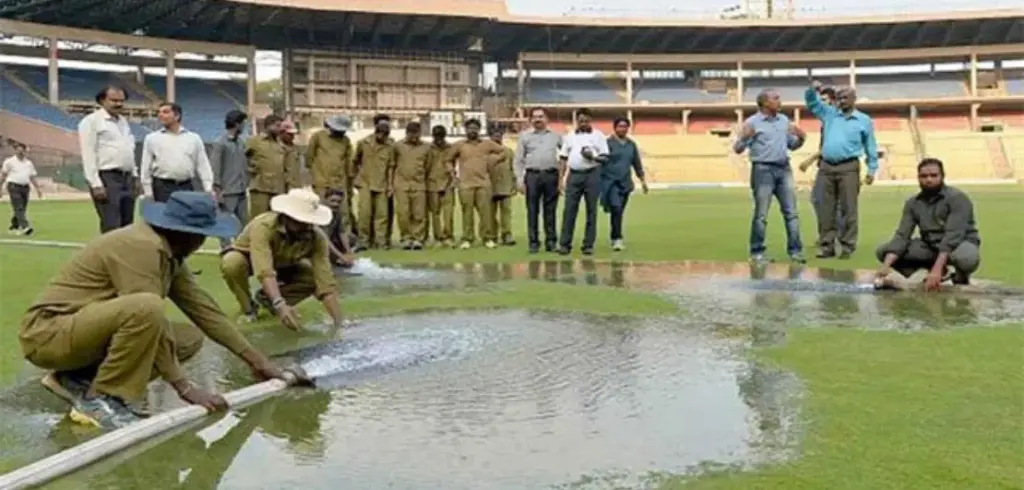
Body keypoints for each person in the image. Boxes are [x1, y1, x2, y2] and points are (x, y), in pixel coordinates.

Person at [19, 191, 290, 429]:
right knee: (147, 307)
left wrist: (258, 361)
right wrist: (184, 387)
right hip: (48, 335)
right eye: (203, 236)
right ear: (188, 234)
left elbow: (205, 310)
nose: (202, 243)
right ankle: (101, 399)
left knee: (187, 339)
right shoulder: (141, 246)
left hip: (81, 332)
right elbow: (146, 315)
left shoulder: (169, 252)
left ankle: (75, 380)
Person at [220, 188, 345, 328]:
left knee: (312, 276)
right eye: (301, 222)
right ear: (287, 217)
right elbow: (264, 270)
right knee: (232, 263)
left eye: (309, 222)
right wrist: (280, 304)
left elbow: (325, 282)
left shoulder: (317, 237)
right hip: (251, 260)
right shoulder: (263, 227)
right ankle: (249, 309)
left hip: (286, 263)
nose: (306, 226)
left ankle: (267, 300)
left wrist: (339, 322)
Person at [875, 158, 980, 291]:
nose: (929, 180)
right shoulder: (913, 203)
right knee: (884, 251)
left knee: (965, 258)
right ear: (918, 178)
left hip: (959, 244)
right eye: (924, 176)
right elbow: (902, 235)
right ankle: (934, 272)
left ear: (942, 176)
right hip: (930, 246)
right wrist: (885, 267)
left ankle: (959, 276)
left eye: (934, 175)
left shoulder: (957, 199)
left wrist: (937, 269)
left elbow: (953, 236)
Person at [805, 81, 878, 259]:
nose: (841, 101)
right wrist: (813, 89)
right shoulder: (829, 114)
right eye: (839, 98)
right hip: (826, 167)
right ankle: (827, 246)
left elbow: (870, 146)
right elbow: (812, 103)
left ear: (854, 99)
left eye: (845, 98)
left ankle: (847, 246)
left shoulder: (863, 120)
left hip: (849, 167)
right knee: (825, 208)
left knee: (848, 209)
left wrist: (871, 169)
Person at [733, 89, 807, 264]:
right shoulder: (752, 122)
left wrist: (801, 139)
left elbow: (792, 146)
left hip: (784, 168)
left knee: (791, 213)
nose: (780, 101)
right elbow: (737, 149)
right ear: (765, 103)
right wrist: (744, 138)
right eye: (776, 98)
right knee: (761, 215)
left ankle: (795, 251)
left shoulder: (783, 121)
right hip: (762, 170)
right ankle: (757, 252)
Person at [78, 85, 140, 233]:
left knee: (127, 225)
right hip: (107, 178)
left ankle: (124, 256)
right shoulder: (91, 121)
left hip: (127, 178)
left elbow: (129, 150)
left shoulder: (123, 122)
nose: (119, 104)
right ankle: (109, 256)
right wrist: (95, 183)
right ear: (102, 100)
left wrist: (135, 176)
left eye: (121, 101)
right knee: (111, 225)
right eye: (114, 100)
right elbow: (88, 153)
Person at [557, 108, 608, 256]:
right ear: (576, 121)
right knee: (569, 211)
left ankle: (588, 245)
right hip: (574, 176)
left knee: (591, 211)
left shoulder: (598, 136)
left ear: (590, 120)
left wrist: (592, 157)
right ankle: (565, 244)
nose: (583, 123)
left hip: (592, 174)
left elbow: (605, 158)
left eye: (586, 120)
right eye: (581, 120)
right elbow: (563, 158)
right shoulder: (570, 136)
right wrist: (561, 179)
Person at [798, 86, 847, 243]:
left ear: (833, 101)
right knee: (822, 201)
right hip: (825, 164)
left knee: (826, 201)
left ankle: (834, 235)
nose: (822, 104)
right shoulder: (826, 121)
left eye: (825, 100)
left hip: (835, 165)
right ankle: (830, 235)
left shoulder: (836, 120)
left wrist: (809, 159)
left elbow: (831, 145)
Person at [140, 102, 214, 202]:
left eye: (165, 112)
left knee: (186, 217)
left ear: (177, 116)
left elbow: (203, 165)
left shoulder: (193, 138)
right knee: (163, 217)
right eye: (159, 112)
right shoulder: (152, 139)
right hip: (162, 187)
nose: (160, 115)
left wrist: (208, 188)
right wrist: (148, 192)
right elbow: (146, 167)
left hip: (186, 186)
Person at [450, 118, 504, 249]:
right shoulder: (459, 145)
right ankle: (467, 238)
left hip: (483, 184)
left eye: (475, 128)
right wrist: (453, 176)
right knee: (466, 213)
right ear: (465, 129)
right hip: (465, 184)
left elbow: (504, 152)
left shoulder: (487, 144)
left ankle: (487, 238)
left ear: (479, 130)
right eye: (470, 128)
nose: (472, 131)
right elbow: (447, 160)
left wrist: (492, 161)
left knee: (485, 213)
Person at [514, 107, 562, 254]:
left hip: (551, 175)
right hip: (532, 176)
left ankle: (551, 241)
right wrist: (519, 180)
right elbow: (519, 160)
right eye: (534, 117)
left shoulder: (556, 136)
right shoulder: (524, 136)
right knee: (532, 210)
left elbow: (566, 153)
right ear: (530, 120)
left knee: (550, 211)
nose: (538, 119)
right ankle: (533, 242)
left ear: (547, 119)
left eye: (541, 116)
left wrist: (562, 177)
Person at [601, 118, 648, 251]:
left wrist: (643, 181)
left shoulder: (631, 145)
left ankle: (614, 237)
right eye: (620, 126)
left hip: (625, 183)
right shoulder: (607, 143)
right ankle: (617, 238)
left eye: (625, 126)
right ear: (614, 127)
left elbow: (636, 163)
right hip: (611, 182)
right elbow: (601, 161)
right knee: (616, 208)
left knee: (619, 211)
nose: (623, 129)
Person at [354, 114, 397, 250]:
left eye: (385, 135)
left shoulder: (390, 146)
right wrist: (356, 178)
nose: (383, 137)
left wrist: (390, 186)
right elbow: (355, 161)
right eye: (381, 134)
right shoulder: (363, 143)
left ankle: (381, 242)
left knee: (382, 215)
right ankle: (363, 242)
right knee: (364, 214)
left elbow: (391, 167)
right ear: (376, 131)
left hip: (382, 184)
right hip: (365, 183)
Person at [210, 110, 250, 249]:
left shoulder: (241, 142)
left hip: (241, 189)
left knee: (244, 223)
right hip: (227, 191)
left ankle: (242, 248)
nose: (245, 126)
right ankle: (226, 249)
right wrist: (217, 189)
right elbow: (215, 167)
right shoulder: (220, 143)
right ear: (236, 124)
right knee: (224, 222)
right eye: (243, 123)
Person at [392, 121, 431, 249]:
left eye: (417, 133)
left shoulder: (426, 147)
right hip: (401, 184)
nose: (414, 136)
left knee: (419, 214)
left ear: (420, 133)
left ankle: (418, 239)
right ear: (406, 133)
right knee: (403, 213)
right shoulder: (398, 146)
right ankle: (406, 238)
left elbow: (429, 166)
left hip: (419, 184)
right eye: (411, 133)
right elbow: (392, 165)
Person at [306, 115, 354, 216]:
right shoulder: (318, 136)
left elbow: (349, 163)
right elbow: (309, 158)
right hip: (322, 181)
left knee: (343, 212)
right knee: (322, 210)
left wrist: (349, 183)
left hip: (340, 182)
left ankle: (343, 231)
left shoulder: (346, 141)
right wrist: (316, 176)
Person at [245, 114, 287, 219]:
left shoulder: (280, 144)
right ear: (268, 126)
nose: (280, 129)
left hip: (277, 189)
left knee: (275, 220)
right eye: (277, 126)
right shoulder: (255, 141)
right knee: (258, 219)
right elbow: (243, 157)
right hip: (260, 188)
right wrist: (251, 168)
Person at [1, 142, 43, 235]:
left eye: (22, 150)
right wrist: (0, 187)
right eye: (18, 150)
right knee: (18, 207)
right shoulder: (9, 162)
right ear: (16, 151)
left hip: (25, 187)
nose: (20, 152)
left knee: (22, 208)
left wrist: (38, 188)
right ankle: (25, 226)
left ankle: (14, 225)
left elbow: (32, 176)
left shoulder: (28, 163)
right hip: (13, 186)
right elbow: (4, 175)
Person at [426, 125, 457, 247]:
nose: (438, 139)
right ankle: (438, 237)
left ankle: (448, 236)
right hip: (432, 183)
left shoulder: (451, 148)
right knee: (435, 213)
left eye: (441, 136)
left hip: (448, 184)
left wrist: (453, 179)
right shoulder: (428, 148)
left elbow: (453, 165)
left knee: (448, 213)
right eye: (436, 136)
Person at [488, 126, 517, 246]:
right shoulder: (485, 152)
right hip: (490, 186)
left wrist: (514, 184)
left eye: (499, 134)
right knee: (490, 213)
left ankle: (507, 235)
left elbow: (512, 169)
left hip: (506, 186)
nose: (497, 137)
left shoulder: (509, 151)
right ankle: (492, 236)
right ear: (490, 137)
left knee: (506, 212)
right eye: (494, 134)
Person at [319, 188, 357, 266]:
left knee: (351, 237)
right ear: (325, 200)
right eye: (332, 201)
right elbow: (325, 240)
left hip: (331, 239)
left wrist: (349, 252)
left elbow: (342, 232)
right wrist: (341, 256)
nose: (335, 204)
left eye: (339, 202)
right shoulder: (320, 213)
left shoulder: (337, 212)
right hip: (319, 242)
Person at [279, 120, 303, 192]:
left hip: (294, 185)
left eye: (293, 134)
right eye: (289, 134)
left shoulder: (295, 148)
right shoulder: (277, 147)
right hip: (282, 186)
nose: (292, 136)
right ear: (282, 133)